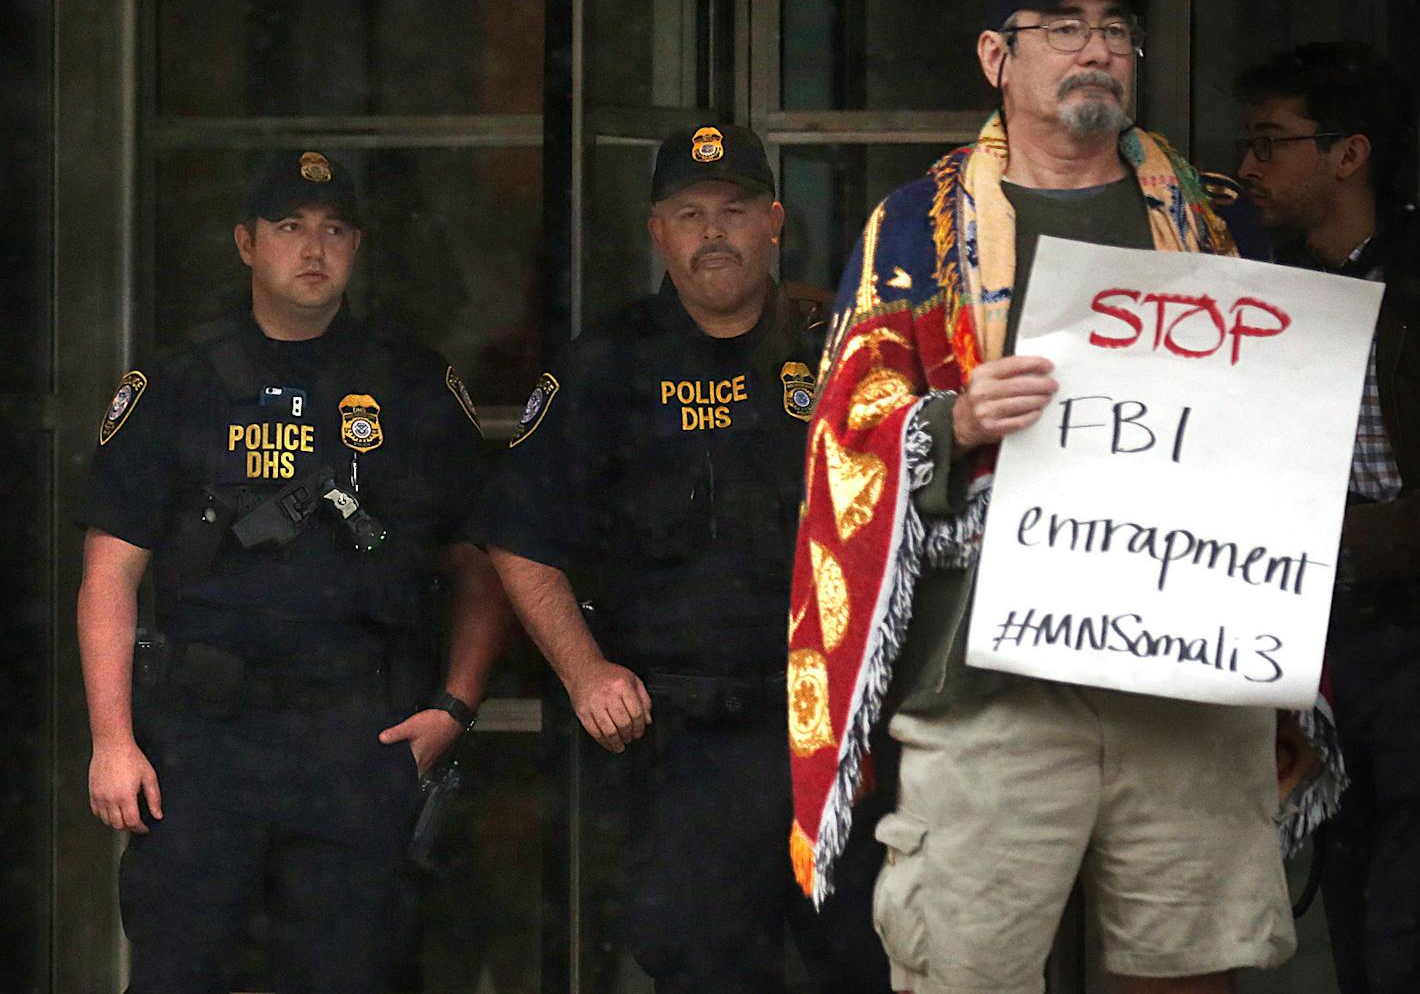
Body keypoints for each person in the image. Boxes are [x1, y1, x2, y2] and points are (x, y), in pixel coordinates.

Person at [786, 0, 1298, 993]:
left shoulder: (1215, 221)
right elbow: (842, 441)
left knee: (1191, 968)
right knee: (966, 971)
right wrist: (953, 418)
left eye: (1115, 28)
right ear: (994, 57)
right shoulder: (913, 235)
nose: (1096, 48)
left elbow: (1292, 416)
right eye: (1062, 26)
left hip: (1186, 673)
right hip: (990, 684)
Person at [469, 124, 890, 994]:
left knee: (876, 964)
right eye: (689, 213)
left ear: (776, 221)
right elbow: (517, 535)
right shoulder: (609, 364)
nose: (714, 232)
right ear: (656, 232)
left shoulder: (841, 344)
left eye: (734, 210)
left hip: (838, 733)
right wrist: (586, 674)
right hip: (689, 745)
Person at [76, 150, 510, 994]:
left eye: (334, 229)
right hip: (202, 741)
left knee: (357, 970)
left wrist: (455, 705)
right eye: (288, 227)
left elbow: (482, 560)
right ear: (245, 242)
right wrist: (112, 739)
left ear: (357, 246)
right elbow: (108, 575)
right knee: (180, 969)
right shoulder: (176, 384)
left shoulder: (411, 383)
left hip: (359, 734)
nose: (313, 248)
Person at [1235, 41, 1420, 994]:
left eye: (1272, 143)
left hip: (1405, 632)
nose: (1250, 166)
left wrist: (1337, 534)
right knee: (1349, 905)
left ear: (1348, 155)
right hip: (1313, 644)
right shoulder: (1259, 287)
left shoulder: (1412, 280)